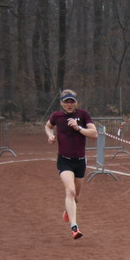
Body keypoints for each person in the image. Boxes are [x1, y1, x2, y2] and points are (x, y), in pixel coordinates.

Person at [45, 89, 97, 239]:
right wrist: (50, 135)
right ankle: (74, 227)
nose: (69, 104)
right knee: (71, 191)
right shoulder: (57, 116)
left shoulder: (83, 114)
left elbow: (94, 134)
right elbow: (48, 126)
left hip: (80, 161)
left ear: (76, 103)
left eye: (72, 102)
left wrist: (78, 127)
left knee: (76, 197)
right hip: (64, 161)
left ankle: (68, 211)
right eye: (66, 102)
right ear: (61, 103)